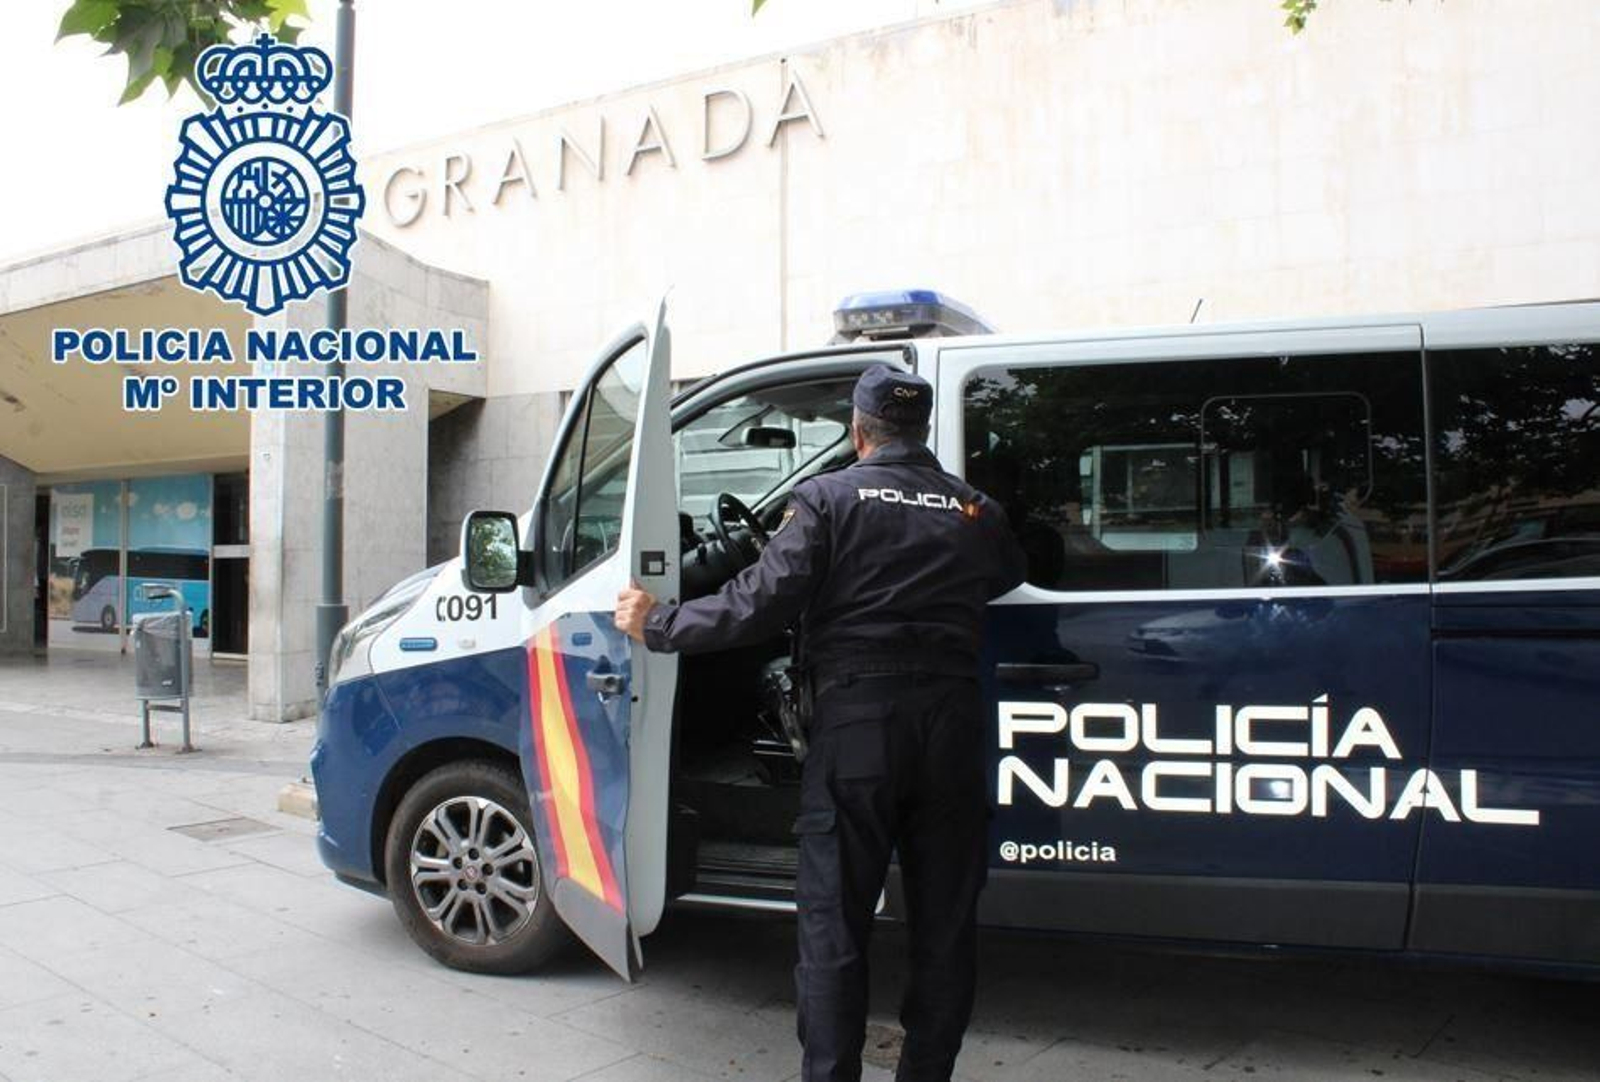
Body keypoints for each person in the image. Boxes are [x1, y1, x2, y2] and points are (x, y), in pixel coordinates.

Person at [615, 365, 1027, 1082]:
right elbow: (1007, 573)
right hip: (952, 730)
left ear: (857, 429)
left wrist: (659, 624)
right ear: (919, 429)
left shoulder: (829, 499)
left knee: (836, 923)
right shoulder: (974, 509)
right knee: (945, 925)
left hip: (859, 727)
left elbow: (757, 604)